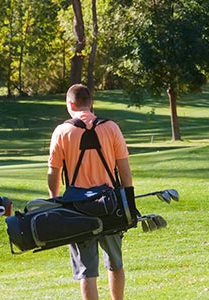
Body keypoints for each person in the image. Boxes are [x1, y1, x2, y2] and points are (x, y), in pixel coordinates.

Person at [47, 84, 133, 300]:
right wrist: (128, 202)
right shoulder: (111, 128)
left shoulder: (62, 131)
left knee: (87, 271)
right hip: (111, 205)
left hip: (78, 208)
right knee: (115, 264)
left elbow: (53, 173)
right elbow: (124, 171)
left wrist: (54, 201)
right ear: (90, 102)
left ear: (70, 104)